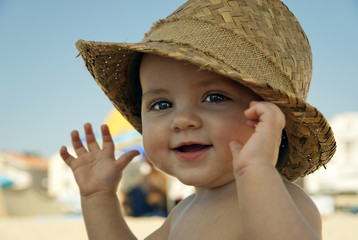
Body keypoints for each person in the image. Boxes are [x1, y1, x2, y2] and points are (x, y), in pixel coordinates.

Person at [60, 0, 336, 239]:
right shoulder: (183, 212)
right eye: (162, 104)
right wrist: (98, 198)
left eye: (214, 98)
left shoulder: (283, 199)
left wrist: (256, 171)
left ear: (269, 119)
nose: (182, 120)